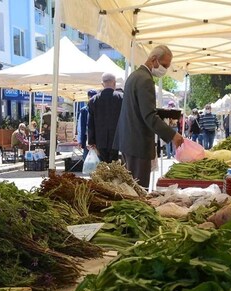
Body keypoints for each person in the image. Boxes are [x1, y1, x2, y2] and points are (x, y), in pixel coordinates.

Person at [114, 46, 183, 186]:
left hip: (128, 141)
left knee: (130, 188)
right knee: (138, 190)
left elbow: (138, 109)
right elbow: (149, 115)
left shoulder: (134, 76)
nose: (165, 69)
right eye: (164, 65)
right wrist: (172, 135)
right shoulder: (145, 79)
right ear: (153, 59)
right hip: (138, 142)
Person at [87, 72, 123, 163]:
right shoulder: (122, 98)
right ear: (114, 83)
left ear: (102, 84)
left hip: (100, 140)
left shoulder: (93, 100)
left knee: (103, 165)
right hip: (117, 139)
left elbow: (90, 123)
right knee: (115, 166)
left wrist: (91, 141)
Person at [77, 89, 97, 162]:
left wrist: (79, 140)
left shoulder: (84, 110)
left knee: (89, 159)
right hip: (93, 138)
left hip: (91, 138)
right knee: (90, 159)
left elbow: (80, 126)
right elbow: (80, 126)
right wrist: (79, 140)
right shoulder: (84, 110)